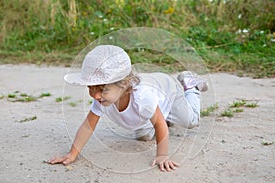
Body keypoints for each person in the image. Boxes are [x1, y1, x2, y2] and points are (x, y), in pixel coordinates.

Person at [48, 45, 208, 172]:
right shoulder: (101, 98)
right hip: (150, 105)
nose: (95, 96)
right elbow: (87, 126)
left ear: (124, 84)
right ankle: (161, 114)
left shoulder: (142, 96)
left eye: (102, 89)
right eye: (91, 88)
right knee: (144, 135)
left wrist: (162, 156)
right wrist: (72, 154)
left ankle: (190, 84)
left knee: (190, 120)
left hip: (168, 91)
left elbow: (160, 125)